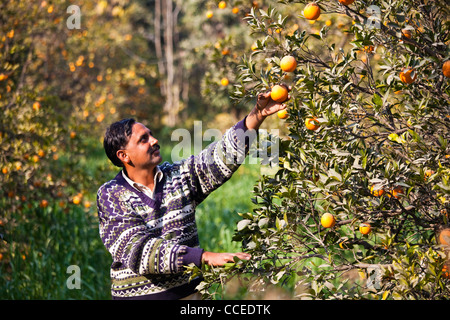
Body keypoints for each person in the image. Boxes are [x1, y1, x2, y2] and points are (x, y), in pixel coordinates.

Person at [96, 88, 289, 300]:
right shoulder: (111, 195)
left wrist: (258, 115)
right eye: (143, 139)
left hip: (190, 295)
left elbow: (220, 156)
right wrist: (203, 257)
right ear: (124, 155)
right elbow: (140, 251)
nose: (154, 140)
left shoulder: (178, 177)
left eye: (151, 134)